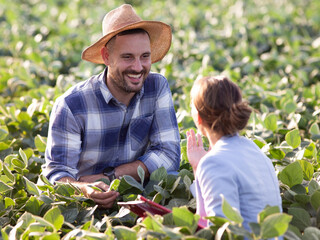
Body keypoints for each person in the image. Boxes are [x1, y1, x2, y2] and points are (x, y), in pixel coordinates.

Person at [42, 4, 180, 208]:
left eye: (145, 56)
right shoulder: (72, 105)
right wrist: (85, 189)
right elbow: (56, 177)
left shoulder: (157, 87)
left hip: (137, 201)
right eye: (127, 57)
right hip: (84, 208)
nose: (138, 67)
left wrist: (111, 176)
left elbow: (169, 155)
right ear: (106, 57)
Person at [187, 76, 282, 230]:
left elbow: (221, 230)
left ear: (198, 117)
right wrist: (198, 168)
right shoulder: (253, 148)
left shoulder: (214, 162)